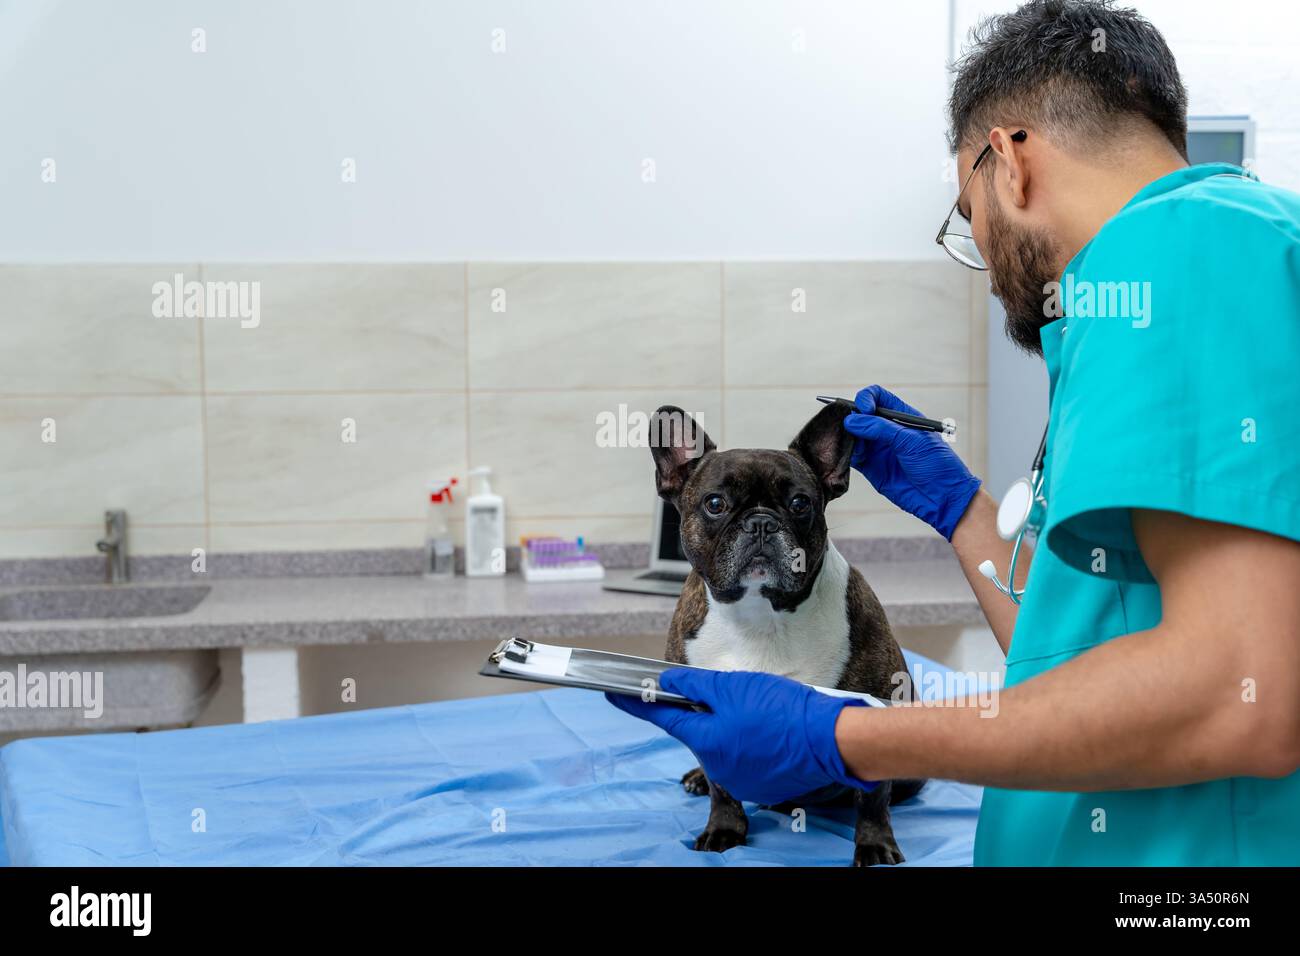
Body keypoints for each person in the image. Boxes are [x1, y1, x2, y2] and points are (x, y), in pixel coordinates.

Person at [607, 0, 1300, 865]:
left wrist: (849, 742)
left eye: (964, 218)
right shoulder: (1166, 274)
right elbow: (1073, 649)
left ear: (1007, 161)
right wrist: (962, 508)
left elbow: (1240, 697)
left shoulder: (1186, 252)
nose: (975, 252)